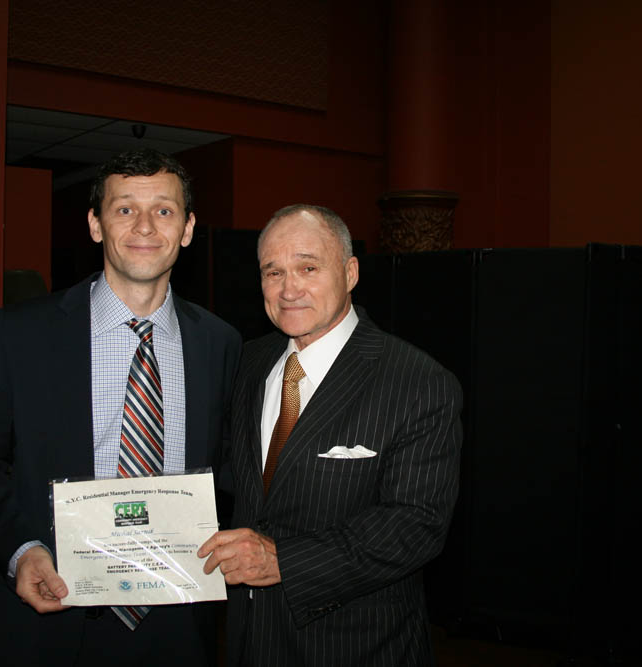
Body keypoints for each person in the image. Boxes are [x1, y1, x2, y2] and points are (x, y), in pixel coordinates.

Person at [0, 148, 241, 666]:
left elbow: (229, 472)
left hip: (178, 620)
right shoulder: (22, 333)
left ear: (189, 228)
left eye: (165, 210)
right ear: (95, 224)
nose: (145, 226)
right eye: (125, 209)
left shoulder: (220, 343)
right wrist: (20, 551)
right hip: (55, 611)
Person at [198, 204, 462, 666]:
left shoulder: (418, 381)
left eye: (308, 267)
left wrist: (284, 561)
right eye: (272, 271)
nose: (288, 288)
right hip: (249, 640)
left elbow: (416, 524)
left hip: (355, 645)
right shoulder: (249, 363)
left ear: (351, 271)